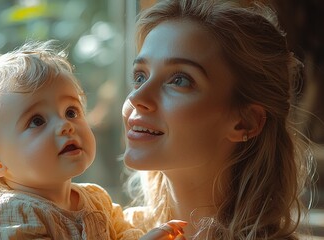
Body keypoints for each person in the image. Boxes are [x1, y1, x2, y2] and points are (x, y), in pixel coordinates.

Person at [0, 40, 186, 239]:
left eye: (71, 112)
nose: (65, 126)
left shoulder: (96, 200)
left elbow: (123, 233)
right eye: (37, 121)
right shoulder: (12, 216)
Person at [122, 0, 315, 239]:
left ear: (245, 122)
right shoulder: (110, 230)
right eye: (140, 76)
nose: (137, 97)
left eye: (180, 80)